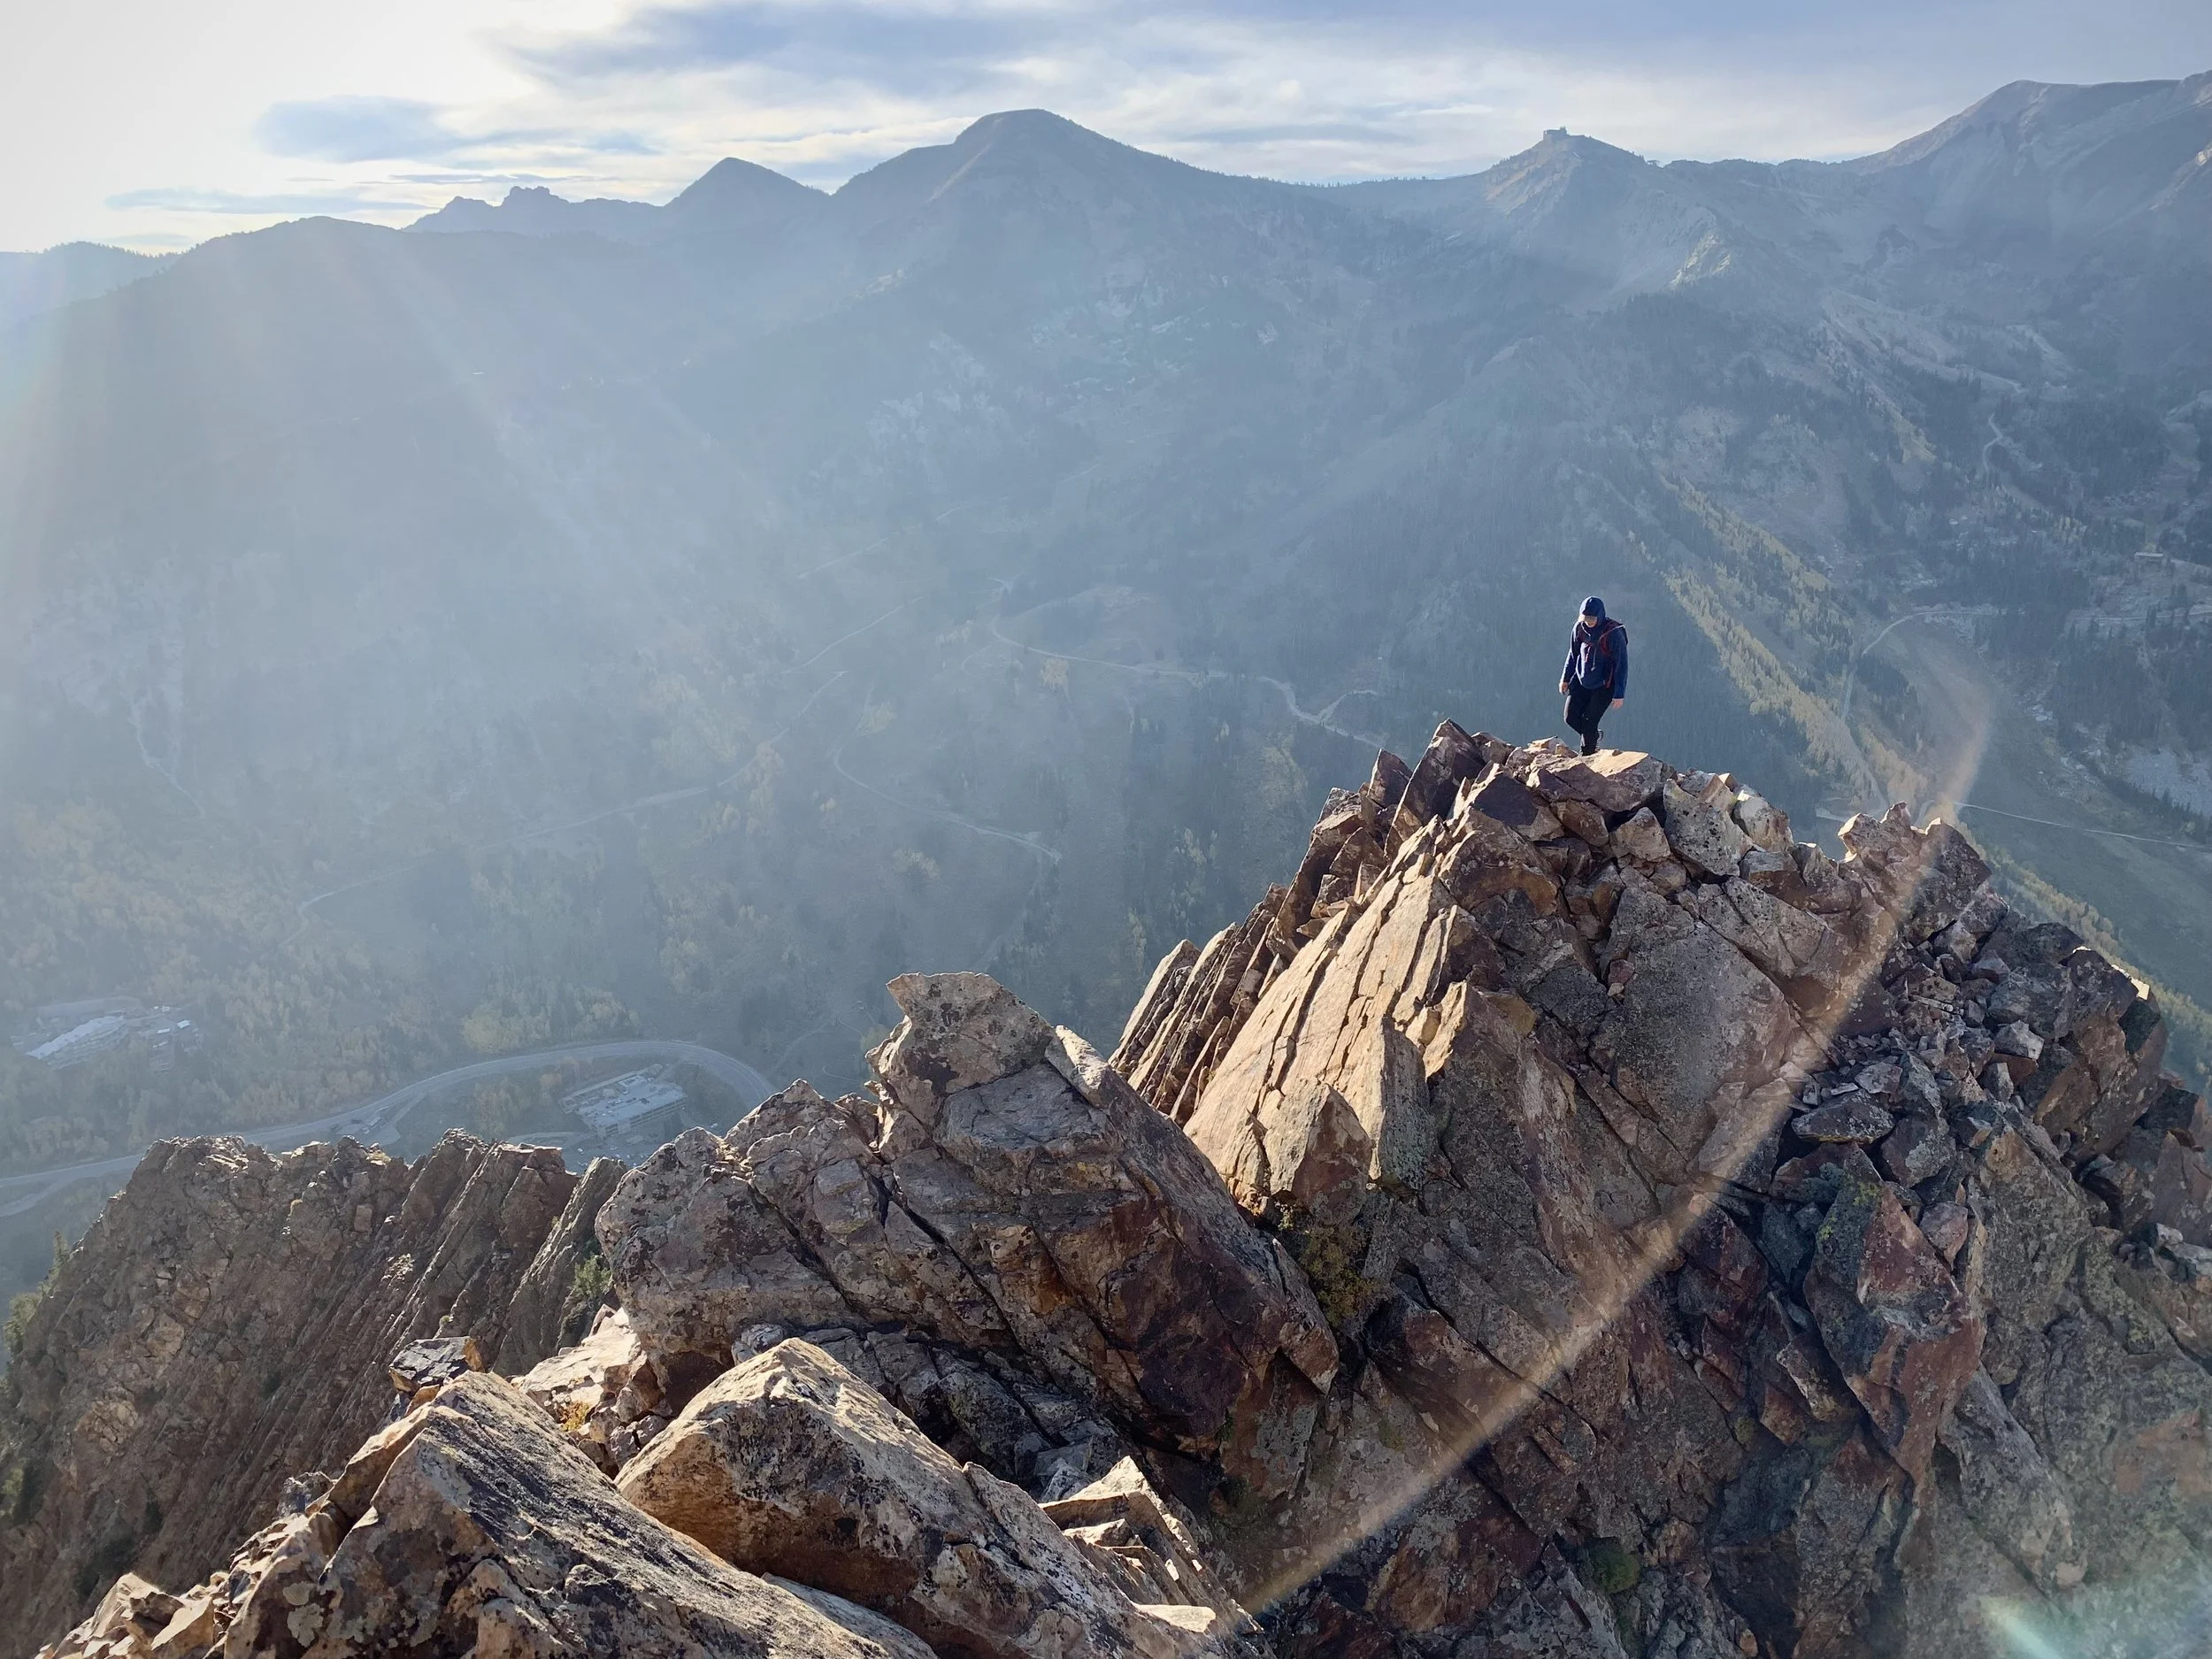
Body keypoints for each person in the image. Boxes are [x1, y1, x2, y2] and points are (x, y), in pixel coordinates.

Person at [1559, 596, 1627, 757]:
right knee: (1570, 717)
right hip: (1582, 680)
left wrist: (1619, 693)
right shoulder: (1579, 628)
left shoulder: (1613, 633)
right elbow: (1573, 654)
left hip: (1604, 685)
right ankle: (1595, 737)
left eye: (1592, 618)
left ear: (1600, 615)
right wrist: (1566, 678)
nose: (1588, 621)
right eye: (1585, 618)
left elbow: (1622, 665)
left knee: (1590, 721)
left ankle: (1587, 757)